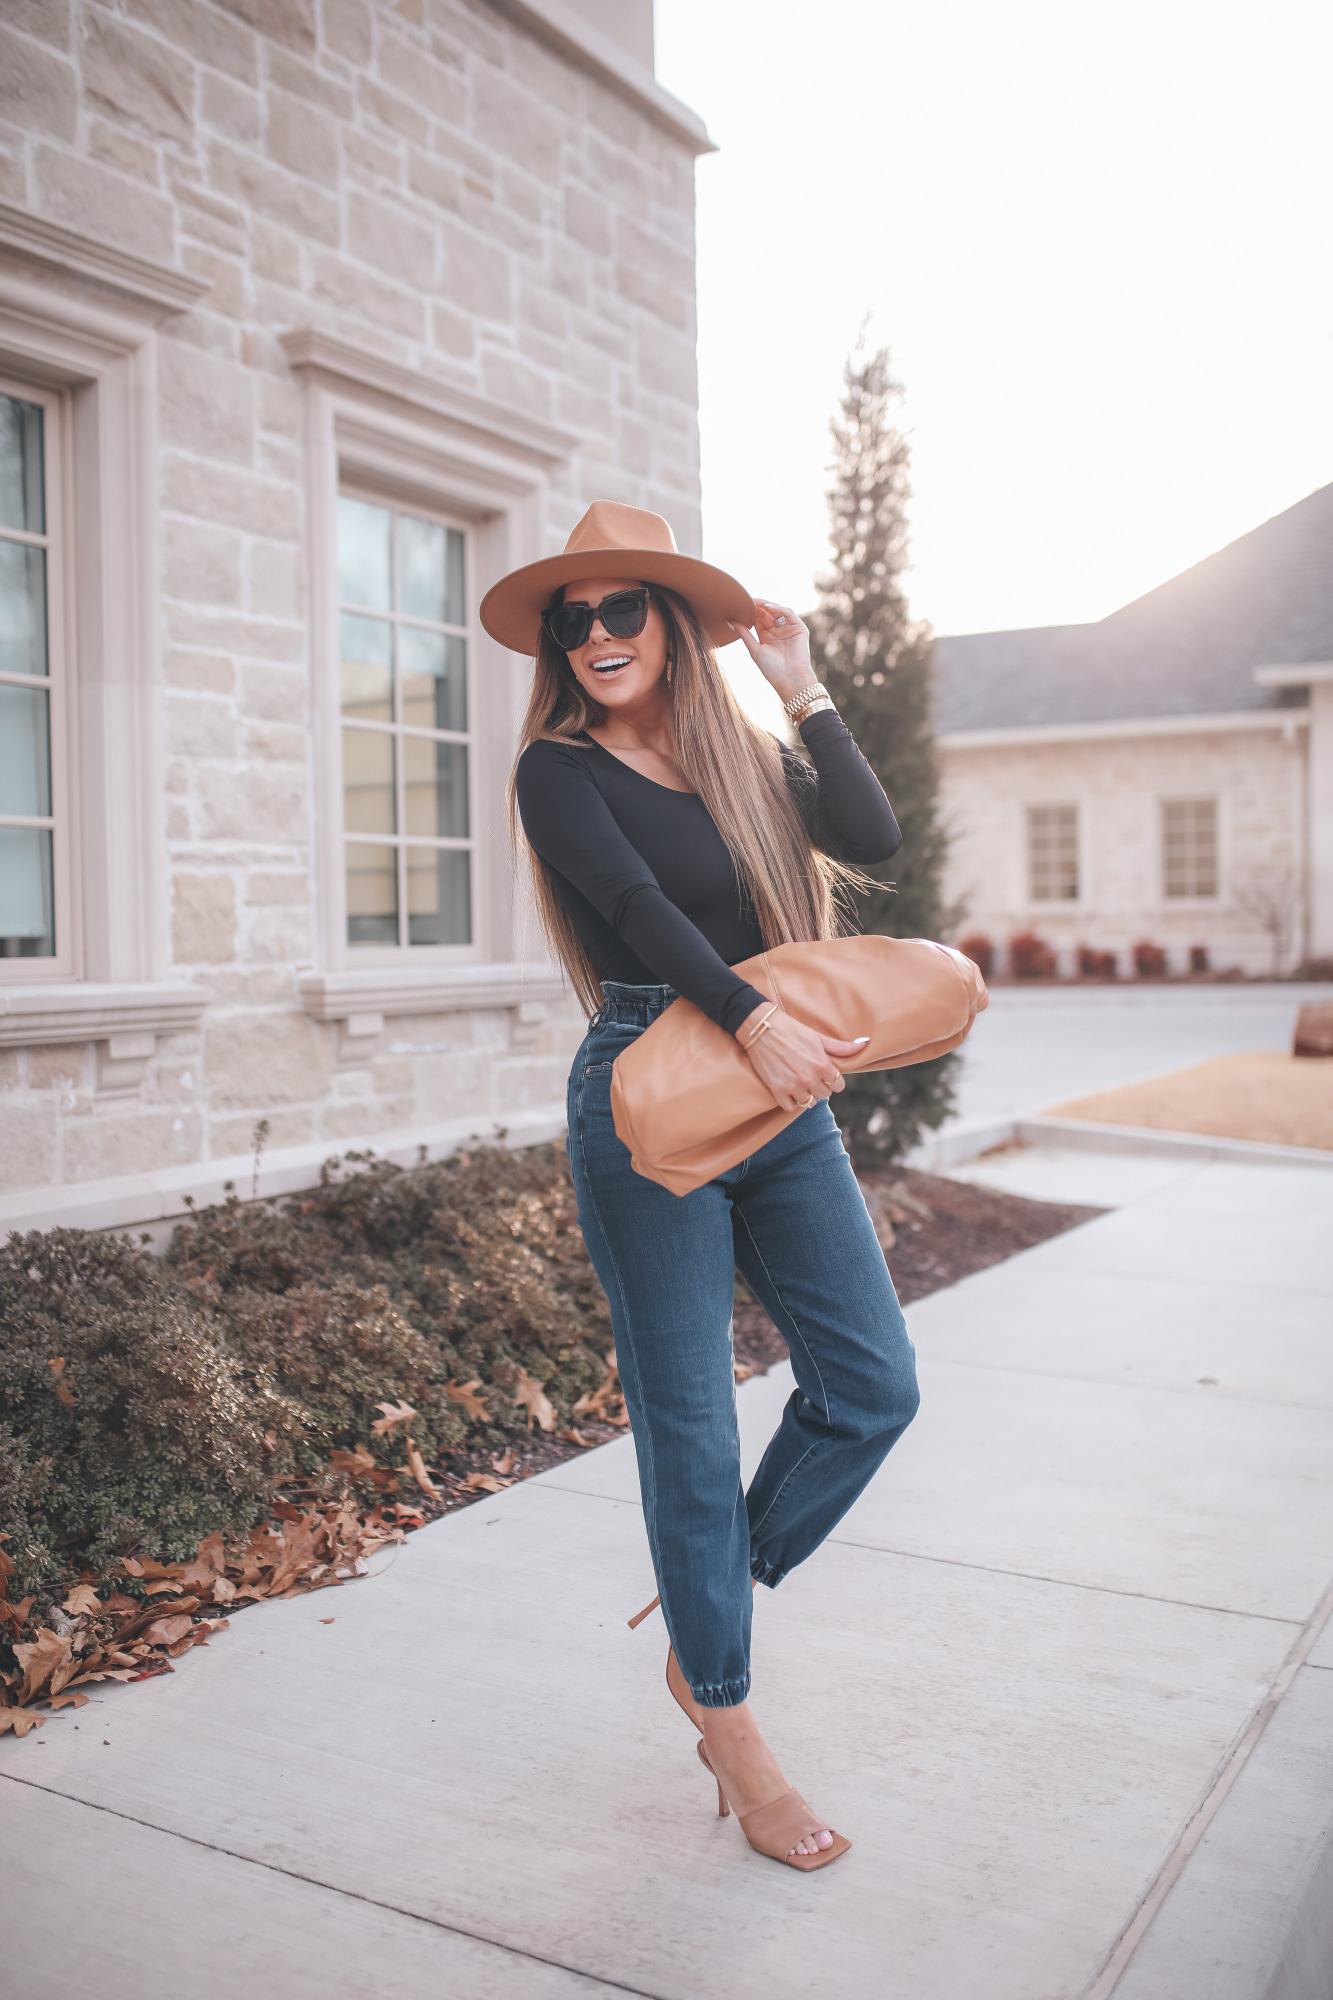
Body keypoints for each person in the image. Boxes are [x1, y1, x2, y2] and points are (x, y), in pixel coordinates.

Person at [481, 502, 920, 1872]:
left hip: (775, 1096)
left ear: (669, 624)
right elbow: (637, 916)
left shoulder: (742, 757)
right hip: (650, 1089)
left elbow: (872, 835)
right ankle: (725, 1716)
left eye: (624, 610)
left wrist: (802, 689)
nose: (598, 634)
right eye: (576, 616)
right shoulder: (559, 771)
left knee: (871, 1387)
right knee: (690, 1422)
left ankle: (703, 1604)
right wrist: (750, 1018)